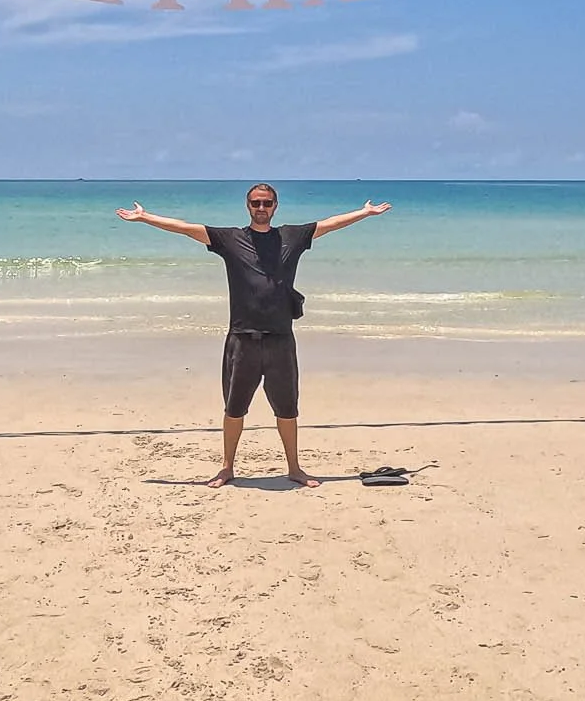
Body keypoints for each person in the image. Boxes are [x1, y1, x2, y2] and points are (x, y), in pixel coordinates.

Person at [116, 184, 392, 488]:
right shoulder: (230, 239)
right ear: (248, 206)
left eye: (267, 203)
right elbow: (185, 229)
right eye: (256, 203)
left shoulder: (291, 236)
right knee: (234, 409)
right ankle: (226, 468)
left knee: (287, 409)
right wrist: (145, 218)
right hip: (242, 340)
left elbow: (329, 224)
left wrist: (365, 213)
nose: (261, 208)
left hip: (280, 340)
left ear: (276, 206)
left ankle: (295, 468)